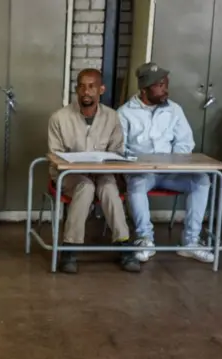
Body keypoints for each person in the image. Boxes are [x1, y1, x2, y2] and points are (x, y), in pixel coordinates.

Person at [118, 62, 214, 263]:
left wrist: (172, 161)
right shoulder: (125, 112)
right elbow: (119, 148)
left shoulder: (174, 110)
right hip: (142, 172)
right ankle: (145, 239)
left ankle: (190, 242)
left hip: (171, 172)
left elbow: (186, 142)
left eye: (166, 84)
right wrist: (140, 162)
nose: (165, 90)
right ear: (144, 89)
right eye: (160, 85)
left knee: (202, 180)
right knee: (136, 184)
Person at [48, 68, 139, 273]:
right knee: (85, 186)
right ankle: (69, 248)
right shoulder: (59, 118)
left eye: (91, 87)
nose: (86, 92)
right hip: (68, 175)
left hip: (101, 172)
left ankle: (123, 244)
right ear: (76, 89)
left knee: (108, 186)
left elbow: (116, 151)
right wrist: (76, 166)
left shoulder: (112, 117)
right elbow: (54, 156)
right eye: (81, 86)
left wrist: (102, 164)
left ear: (101, 89)